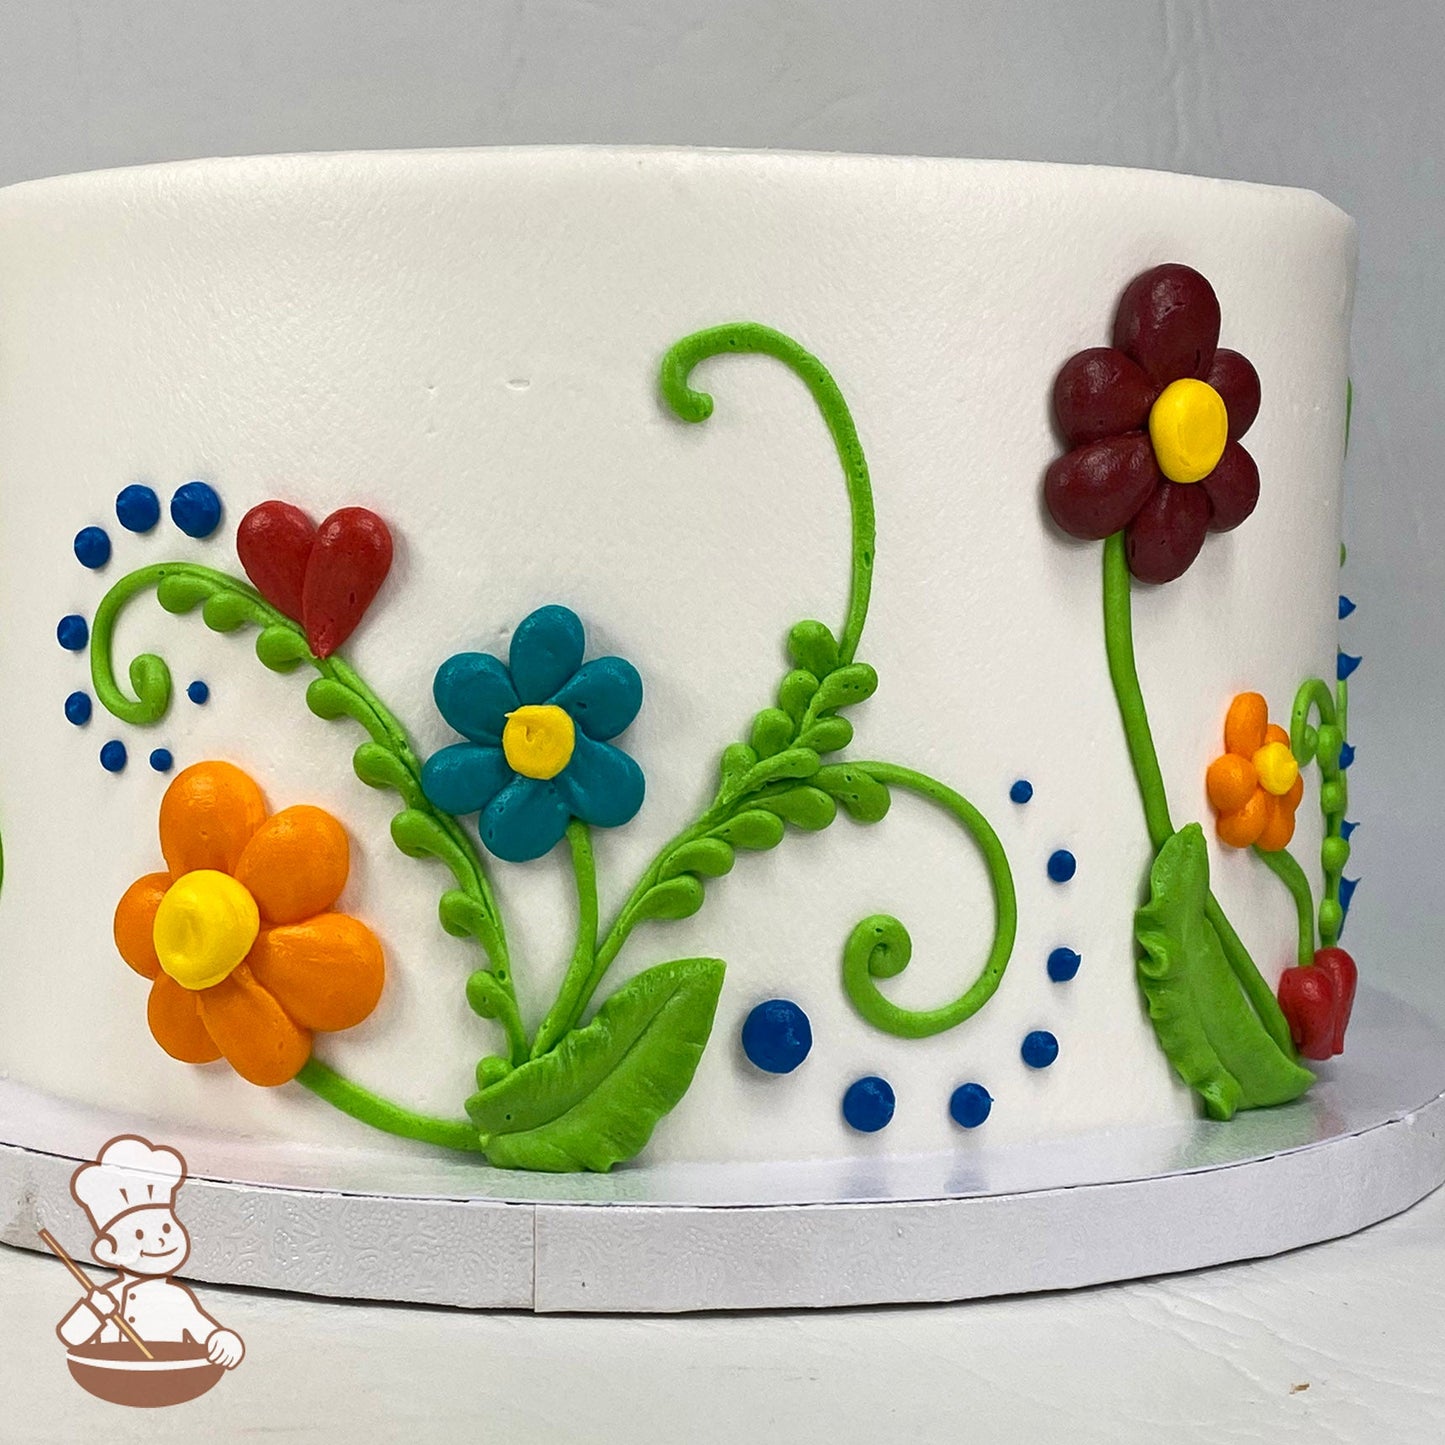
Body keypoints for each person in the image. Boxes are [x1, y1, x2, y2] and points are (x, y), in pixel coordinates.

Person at [55, 1135, 244, 1368]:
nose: (161, 1240)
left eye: (166, 1227)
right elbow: (71, 1336)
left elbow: (206, 1331)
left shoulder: (178, 1298)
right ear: (109, 1251)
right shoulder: (108, 1298)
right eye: (140, 1234)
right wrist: (93, 1310)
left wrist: (224, 1340)